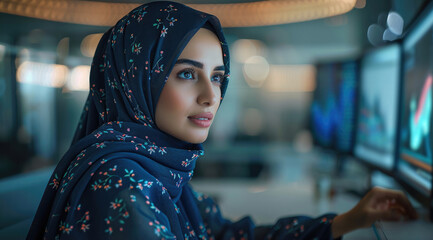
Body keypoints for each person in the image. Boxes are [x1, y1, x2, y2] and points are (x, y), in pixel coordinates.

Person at [27, 1, 417, 239]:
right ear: (135, 82)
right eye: (185, 73)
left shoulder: (158, 169)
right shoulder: (123, 185)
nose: (211, 95)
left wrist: (348, 220)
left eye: (216, 76)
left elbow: (226, 235)